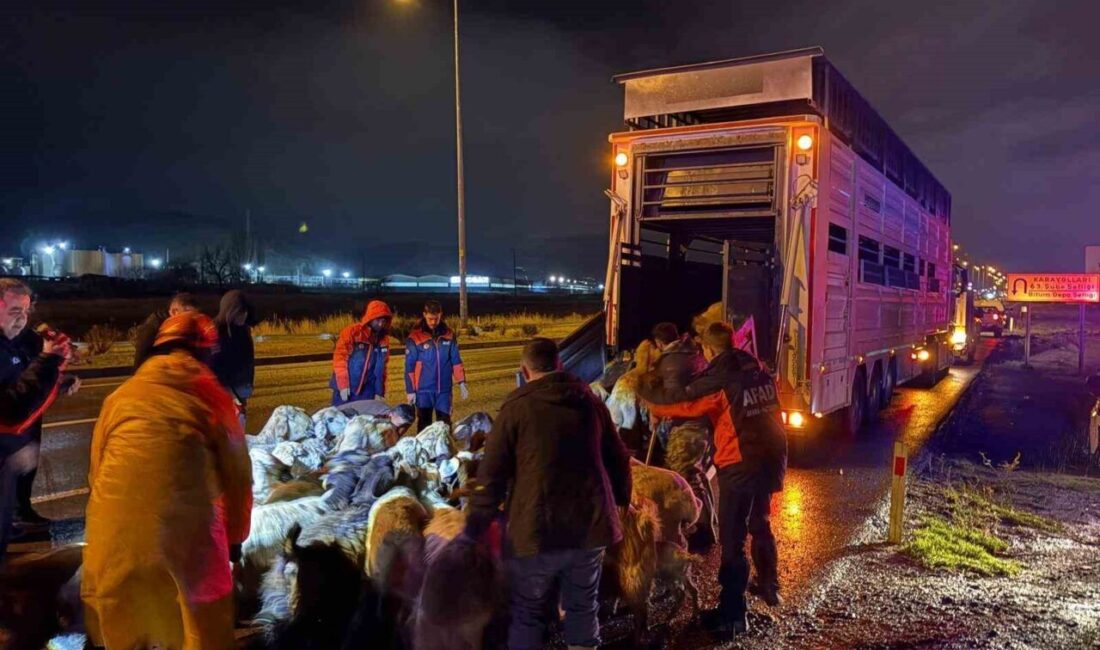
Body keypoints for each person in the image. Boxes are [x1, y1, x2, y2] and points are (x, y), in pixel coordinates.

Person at [82, 311, 252, 649]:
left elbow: (96, 474)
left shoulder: (120, 397)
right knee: (203, 632)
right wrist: (235, 538)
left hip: (113, 551)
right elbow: (238, 480)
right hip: (187, 551)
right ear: (206, 352)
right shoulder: (213, 399)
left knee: (128, 634)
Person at [466, 338, 632, 650]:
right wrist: (622, 500)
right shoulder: (590, 401)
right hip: (589, 525)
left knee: (528, 613)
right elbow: (618, 456)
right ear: (559, 365)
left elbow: (491, 477)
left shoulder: (515, 407)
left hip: (536, 529)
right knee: (583, 607)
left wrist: (473, 528)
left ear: (524, 371)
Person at [637, 321, 787, 637]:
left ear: (707, 350)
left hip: (741, 462)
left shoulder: (720, 378)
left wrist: (645, 387)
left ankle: (733, 616)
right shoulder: (755, 368)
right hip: (771, 458)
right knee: (759, 521)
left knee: (732, 540)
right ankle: (768, 583)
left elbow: (682, 403)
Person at [0, 279, 80, 534]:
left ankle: (16, 517)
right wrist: (48, 361)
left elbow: (25, 383)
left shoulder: (18, 340)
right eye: (14, 312)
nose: (22, 319)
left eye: (25, 312)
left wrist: (57, 377)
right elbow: (10, 409)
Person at [649, 321, 717, 549]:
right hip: (700, 424)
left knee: (687, 476)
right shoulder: (692, 353)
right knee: (697, 475)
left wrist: (656, 407)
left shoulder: (668, 362)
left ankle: (702, 532)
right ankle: (709, 524)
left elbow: (669, 396)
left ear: (659, 343)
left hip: (687, 426)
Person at [404, 300, 469, 431]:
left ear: (441, 315)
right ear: (424, 315)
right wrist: (410, 390)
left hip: (444, 391)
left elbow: (455, 360)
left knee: (444, 426)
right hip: (423, 391)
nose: (433, 322)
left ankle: (444, 452)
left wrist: (461, 382)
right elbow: (409, 367)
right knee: (424, 426)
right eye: (430, 319)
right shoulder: (415, 337)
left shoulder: (449, 335)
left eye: (436, 318)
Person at [331, 300, 393, 406]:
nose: (381, 324)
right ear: (370, 317)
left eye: (383, 321)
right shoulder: (352, 333)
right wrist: (343, 384)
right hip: (347, 388)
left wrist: (379, 392)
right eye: (378, 320)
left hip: (368, 390)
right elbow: (340, 359)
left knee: (366, 421)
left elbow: (381, 369)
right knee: (343, 419)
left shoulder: (384, 340)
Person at [210, 290, 256, 430]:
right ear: (232, 311)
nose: (244, 316)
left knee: (237, 429)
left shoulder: (243, 330)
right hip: (225, 391)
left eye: (246, 312)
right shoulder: (215, 331)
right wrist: (230, 393)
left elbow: (247, 359)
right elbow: (215, 366)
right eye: (241, 312)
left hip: (241, 389)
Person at [133, 291, 199, 370]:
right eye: (187, 314)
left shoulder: (190, 325)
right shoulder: (154, 325)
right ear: (174, 312)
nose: (191, 318)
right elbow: (141, 354)